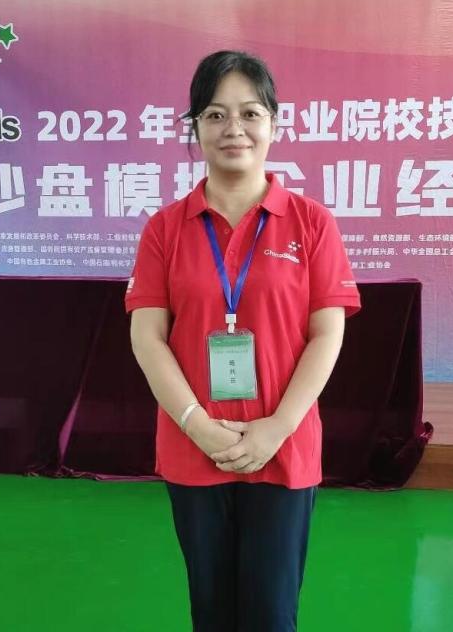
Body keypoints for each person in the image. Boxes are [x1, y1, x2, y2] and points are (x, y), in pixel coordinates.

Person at [126, 50, 360, 632]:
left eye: (250, 113)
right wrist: (197, 425)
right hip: (193, 447)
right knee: (211, 612)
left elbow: (327, 333)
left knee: (270, 615)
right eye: (215, 114)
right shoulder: (164, 228)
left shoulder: (311, 222)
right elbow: (147, 336)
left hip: (283, 448)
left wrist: (278, 427)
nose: (234, 129)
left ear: (274, 124)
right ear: (195, 127)